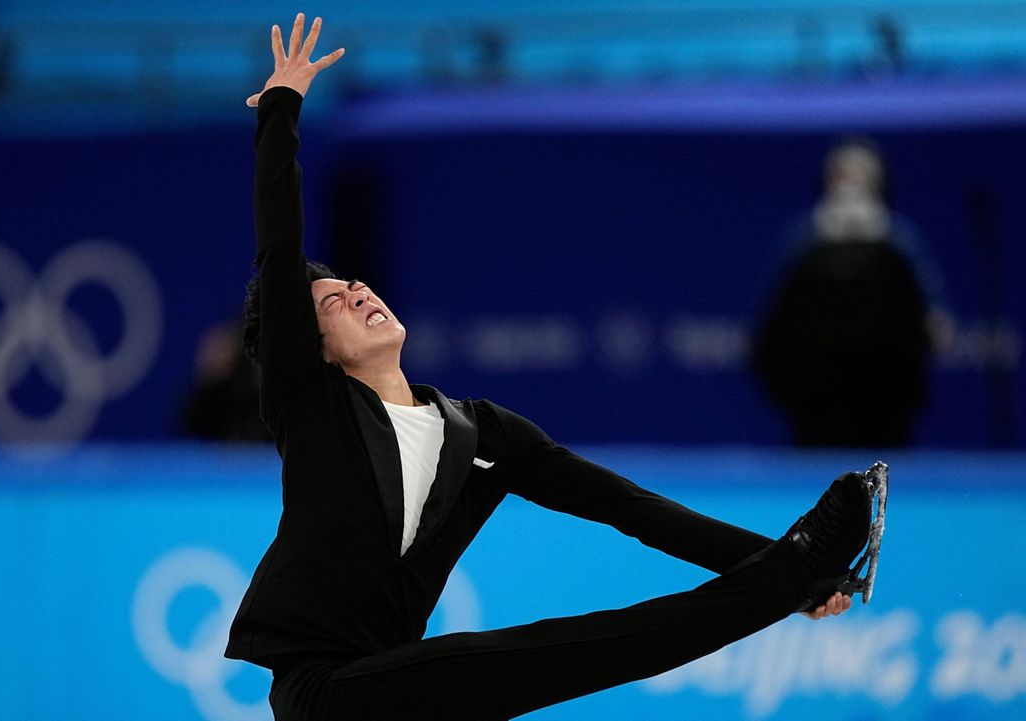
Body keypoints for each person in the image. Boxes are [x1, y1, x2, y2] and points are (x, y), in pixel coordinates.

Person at [228, 15, 884, 721]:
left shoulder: (482, 434)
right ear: (312, 345)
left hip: (402, 684)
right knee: (542, 652)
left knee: (607, 645)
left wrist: (789, 572)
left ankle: (797, 565)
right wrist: (282, 108)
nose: (357, 291)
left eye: (353, 283)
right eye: (329, 303)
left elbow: (633, 510)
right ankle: (796, 566)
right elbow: (279, 238)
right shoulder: (311, 404)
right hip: (325, 692)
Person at [752, 139, 948, 447]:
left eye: (860, 179)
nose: (850, 191)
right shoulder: (803, 245)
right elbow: (769, 335)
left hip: (886, 403)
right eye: (842, 178)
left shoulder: (900, 245)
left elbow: (936, 329)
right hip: (815, 406)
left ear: (878, 184)